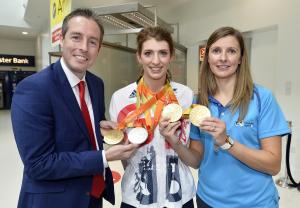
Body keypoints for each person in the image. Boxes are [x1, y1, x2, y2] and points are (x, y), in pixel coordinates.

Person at [11, 8, 138, 208]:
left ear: (99, 49)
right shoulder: (34, 88)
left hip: (92, 196)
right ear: (61, 39)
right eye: (76, 37)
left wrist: (100, 127)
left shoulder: (96, 84)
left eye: (93, 42)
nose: (84, 48)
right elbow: (38, 164)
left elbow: (80, 128)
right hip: (54, 201)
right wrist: (105, 157)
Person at [159, 26, 290, 208]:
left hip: (256, 203)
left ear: (240, 59)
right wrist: (174, 141)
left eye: (231, 51)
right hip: (208, 201)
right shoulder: (200, 103)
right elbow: (196, 161)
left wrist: (227, 142)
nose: (223, 58)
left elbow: (273, 165)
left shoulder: (262, 98)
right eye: (216, 51)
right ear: (208, 58)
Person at [109, 26, 195, 208]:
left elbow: (190, 149)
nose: (156, 61)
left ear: (171, 56)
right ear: (139, 57)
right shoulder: (120, 98)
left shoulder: (185, 95)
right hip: (137, 198)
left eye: (163, 53)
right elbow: (124, 154)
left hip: (179, 197)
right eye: (148, 53)